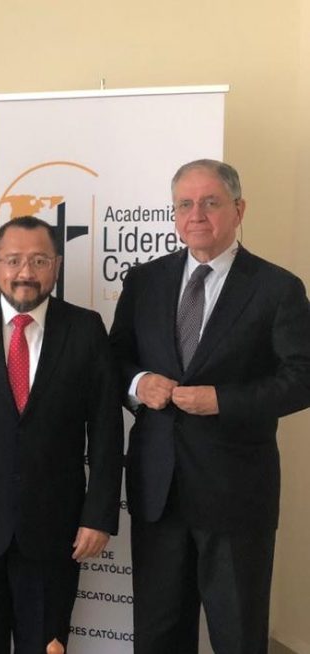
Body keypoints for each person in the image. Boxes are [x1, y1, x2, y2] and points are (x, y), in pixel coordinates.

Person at [109, 159, 310, 654]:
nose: (196, 214)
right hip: (158, 490)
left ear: (239, 210)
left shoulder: (277, 288)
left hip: (235, 495)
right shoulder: (145, 281)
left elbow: (302, 378)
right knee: (157, 636)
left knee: (237, 637)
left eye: (210, 202)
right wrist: (139, 383)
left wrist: (222, 400)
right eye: (184, 204)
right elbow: (113, 360)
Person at [0, 216, 123, 654]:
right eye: (13, 260)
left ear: (57, 265)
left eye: (39, 260)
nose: (25, 272)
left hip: (54, 528)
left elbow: (107, 431)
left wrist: (98, 515)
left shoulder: (85, 329)